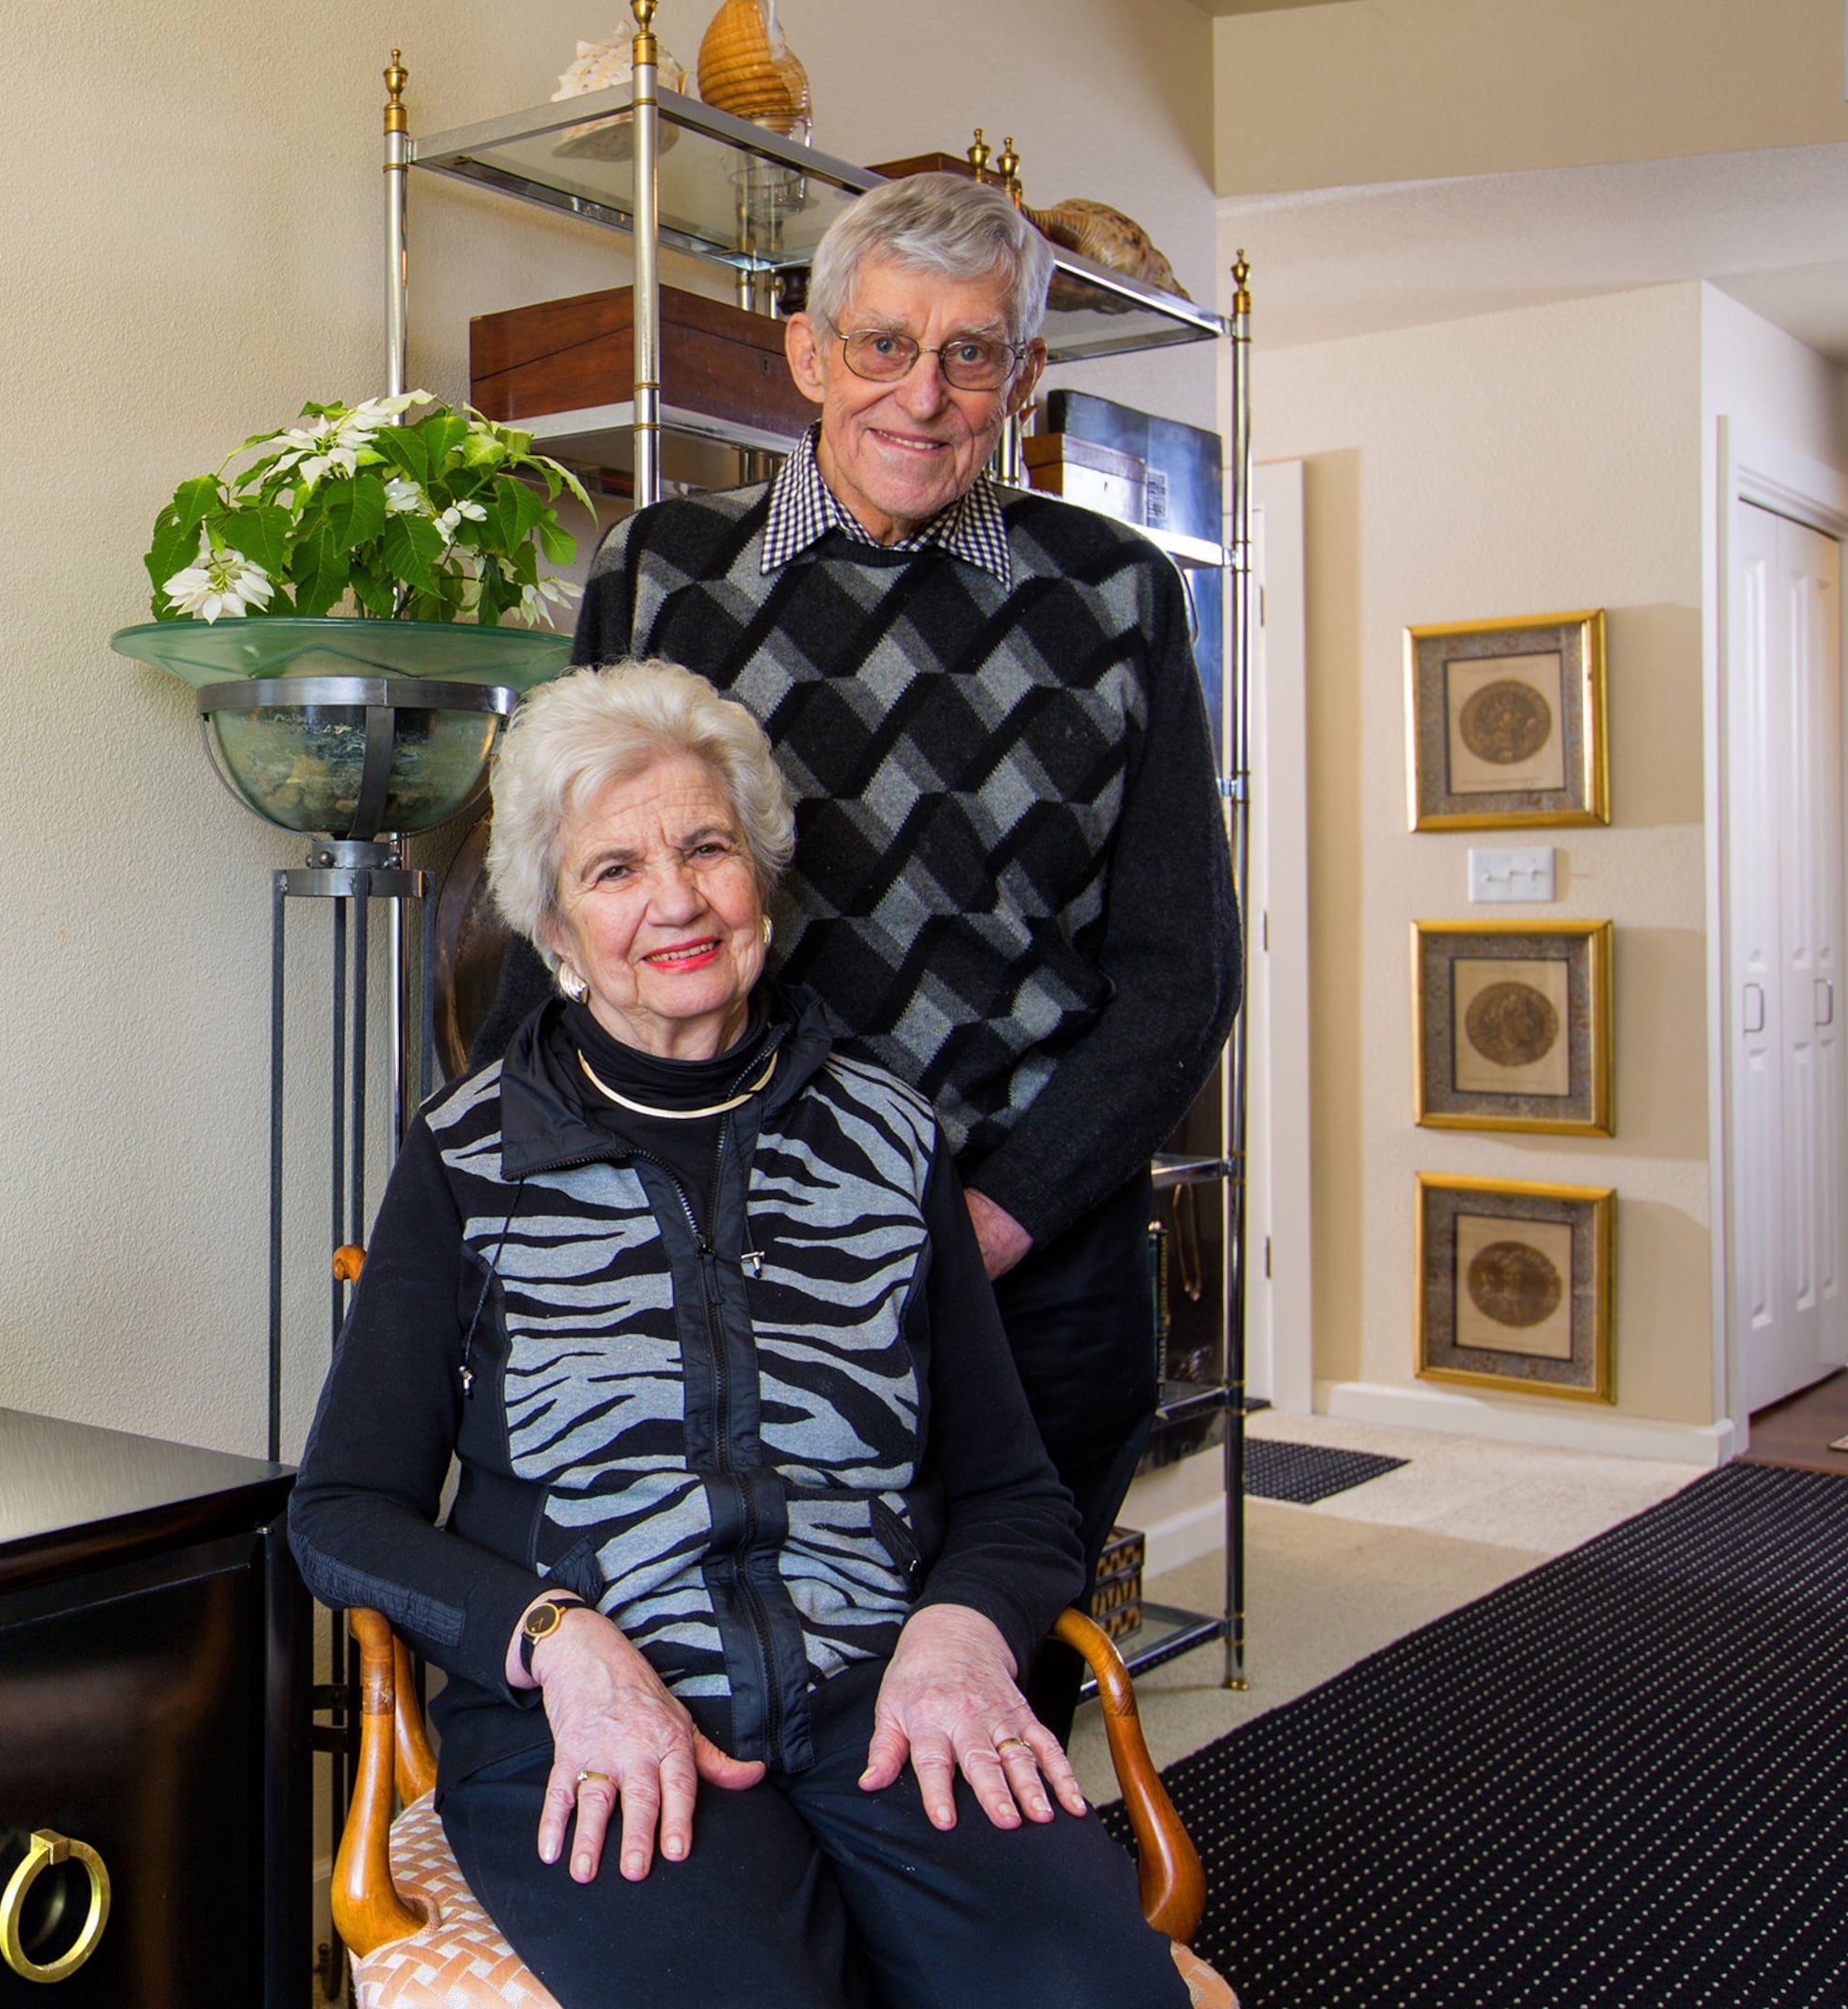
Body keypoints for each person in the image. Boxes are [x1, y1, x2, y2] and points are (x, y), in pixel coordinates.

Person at [293, 663, 1186, 2009]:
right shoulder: (468, 1157)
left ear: (759, 874)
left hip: (883, 1702)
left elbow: (1014, 1491)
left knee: (1095, 1993)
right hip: (587, 1728)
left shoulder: (889, 1141)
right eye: (614, 870)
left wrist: (957, 1633)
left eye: (707, 847)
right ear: (552, 925)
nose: (675, 901)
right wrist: (559, 1643)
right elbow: (344, 1511)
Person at [487, 172, 1242, 1727]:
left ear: (1027, 379)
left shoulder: (1114, 598)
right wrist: (512, 1184)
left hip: (1031, 1268)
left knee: (971, 1698)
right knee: (738, 1698)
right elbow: (569, 904)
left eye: (974, 354)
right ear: (808, 354)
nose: (925, 392)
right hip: (719, 1245)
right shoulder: (661, 576)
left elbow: (1182, 975)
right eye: (884, 343)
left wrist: (996, 1220)